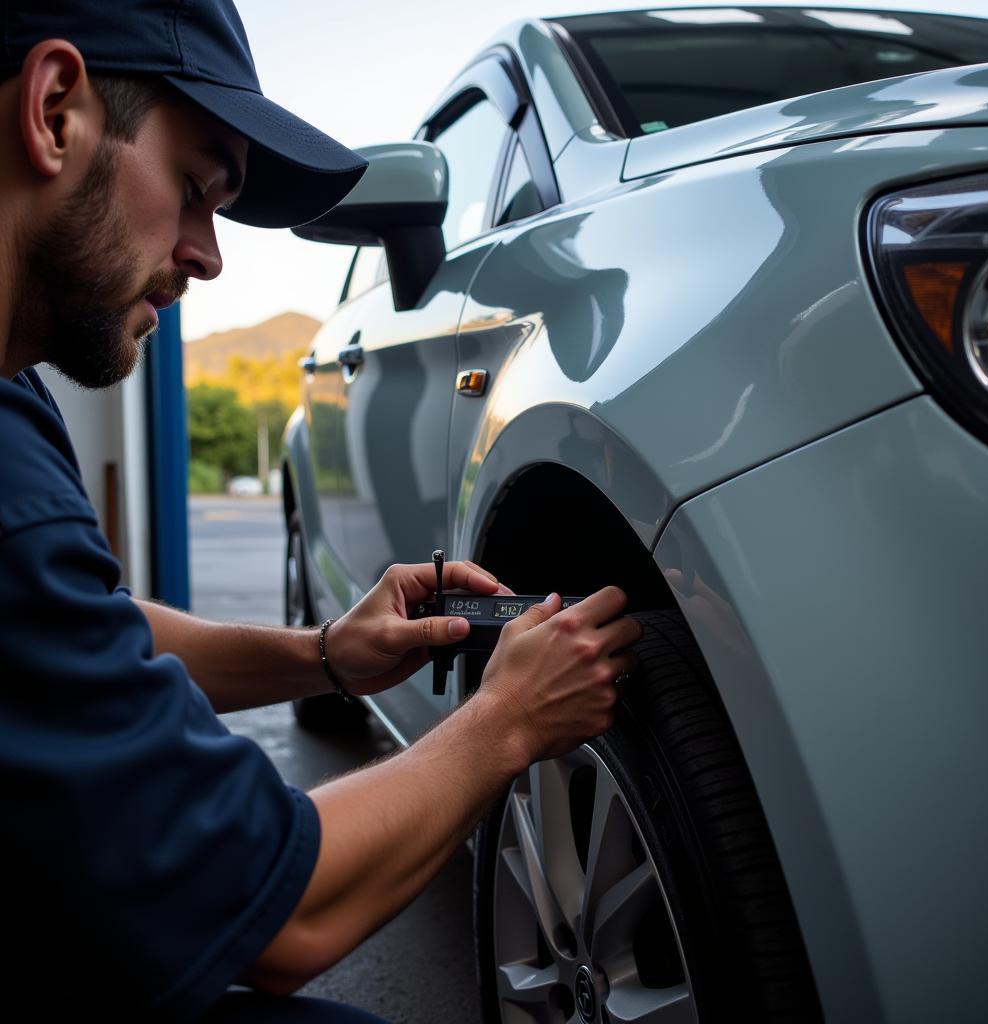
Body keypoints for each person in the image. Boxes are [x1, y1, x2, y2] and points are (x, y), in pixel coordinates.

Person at [0, 2, 641, 1020]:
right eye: (197, 188)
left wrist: (325, 655)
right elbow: (280, 918)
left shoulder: (14, 395)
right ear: (55, 111)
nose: (208, 255)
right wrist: (506, 720)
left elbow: (82, 635)